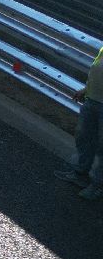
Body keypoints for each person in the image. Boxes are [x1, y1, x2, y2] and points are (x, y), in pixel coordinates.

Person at [54, 45, 103, 200]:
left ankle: (98, 186)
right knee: (84, 138)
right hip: (93, 100)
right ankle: (80, 173)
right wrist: (86, 89)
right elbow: (97, 71)